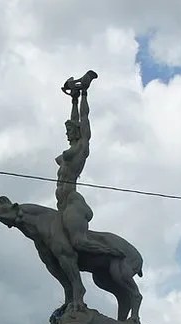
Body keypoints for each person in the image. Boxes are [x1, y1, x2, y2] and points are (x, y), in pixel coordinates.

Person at [55, 73, 123, 257]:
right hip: (61, 204)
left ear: (77, 132)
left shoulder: (81, 148)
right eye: (67, 130)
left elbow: (83, 119)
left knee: (78, 242)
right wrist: (74, 99)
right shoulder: (72, 146)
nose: (67, 133)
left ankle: (111, 253)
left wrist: (84, 93)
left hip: (72, 201)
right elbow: (74, 120)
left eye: (70, 131)